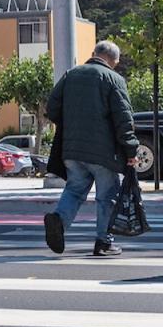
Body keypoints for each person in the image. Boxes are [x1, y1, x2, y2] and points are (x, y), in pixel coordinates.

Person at [44, 40, 139, 257]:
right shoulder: (114, 79)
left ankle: (59, 219)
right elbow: (124, 119)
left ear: (93, 53)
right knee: (107, 195)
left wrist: (72, 126)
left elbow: (52, 109)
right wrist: (131, 149)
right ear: (114, 61)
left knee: (75, 190)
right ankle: (103, 242)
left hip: (72, 149)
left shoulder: (71, 75)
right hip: (104, 153)